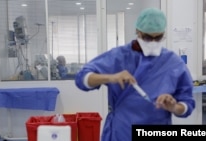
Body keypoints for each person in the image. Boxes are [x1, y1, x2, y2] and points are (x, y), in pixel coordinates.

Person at [75, 8, 195, 141]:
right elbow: (82, 79)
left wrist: (174, 107)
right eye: (148, 37)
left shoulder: (173, 62)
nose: (153, 42)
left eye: (158, 37)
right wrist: (110, 77)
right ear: (138, 32)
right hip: (122, 131)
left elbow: (187, 102)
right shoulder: (119, 56)